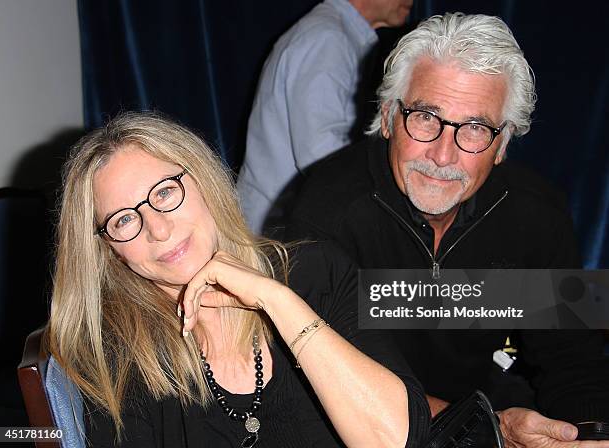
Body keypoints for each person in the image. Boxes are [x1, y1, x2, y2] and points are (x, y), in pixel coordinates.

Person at [286, 12, 609, 448]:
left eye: (475, 128)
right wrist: (486, 428)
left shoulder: (538, 212)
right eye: (425, 117)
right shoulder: (326, 211)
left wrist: (587, 434)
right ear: (387, 118)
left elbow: (574, 362)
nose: (442, 155)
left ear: (502, 144)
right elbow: (323, 378)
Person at [45, 112, 429, 447]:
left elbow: (397, 439)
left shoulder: (316, 272)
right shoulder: (117, 361)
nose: (158, 229)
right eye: (124, 219)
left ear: (204, 183)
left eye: (165, 192)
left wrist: (277, 301)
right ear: (109, 249)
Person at [237, 0, 413, 234]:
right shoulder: (328, 39)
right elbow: (320, 153)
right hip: (281, 235)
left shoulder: (331, 33)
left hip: (281, 227)